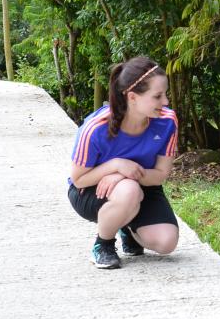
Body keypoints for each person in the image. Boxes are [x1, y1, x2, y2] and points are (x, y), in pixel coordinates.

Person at [68, 56, 180, 269]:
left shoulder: (167, 121)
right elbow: (78, 180)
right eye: (157, 96)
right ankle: (103, 244)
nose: (165, 102)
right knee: (129, 191)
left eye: (165, 94)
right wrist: (116, 165)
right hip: (91, 190)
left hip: (144, 184)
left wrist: (124, 173)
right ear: (132, 97)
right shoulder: (96, 128)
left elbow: (160, 174)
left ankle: (126, 226)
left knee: (167, 242)